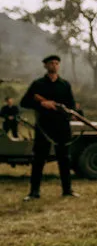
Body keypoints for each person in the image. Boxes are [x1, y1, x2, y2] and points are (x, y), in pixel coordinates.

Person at [20, 55, 79, 201]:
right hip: (44, 127)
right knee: (39, 159)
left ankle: (67, 190)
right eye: (51, 63)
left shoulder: (65, 85)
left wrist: (69, 112)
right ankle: (34, 192)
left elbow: (71, 105)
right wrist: (42, 104)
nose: (54, 65)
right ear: (45, 66)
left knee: (64, 159)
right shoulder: (38, 84)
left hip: (61, 127)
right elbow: (24, 102)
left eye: (56, 63)